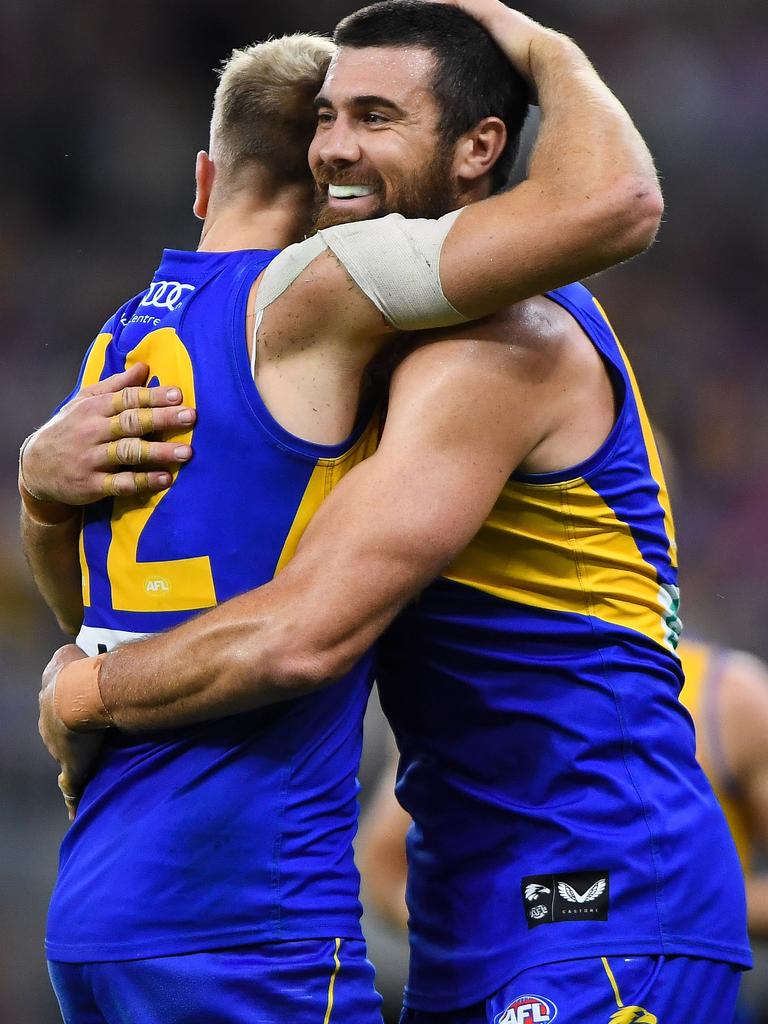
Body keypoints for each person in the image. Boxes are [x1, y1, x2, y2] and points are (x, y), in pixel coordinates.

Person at [33, 2, 749, 1022]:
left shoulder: (502, 346)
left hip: (602, 895)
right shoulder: (383, 344)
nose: (333, 148)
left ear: (479, 149)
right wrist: (43, 489)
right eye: (325, 117)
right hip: (470, 907)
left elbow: (304, 630)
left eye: (375, 117)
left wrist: (88, 697)